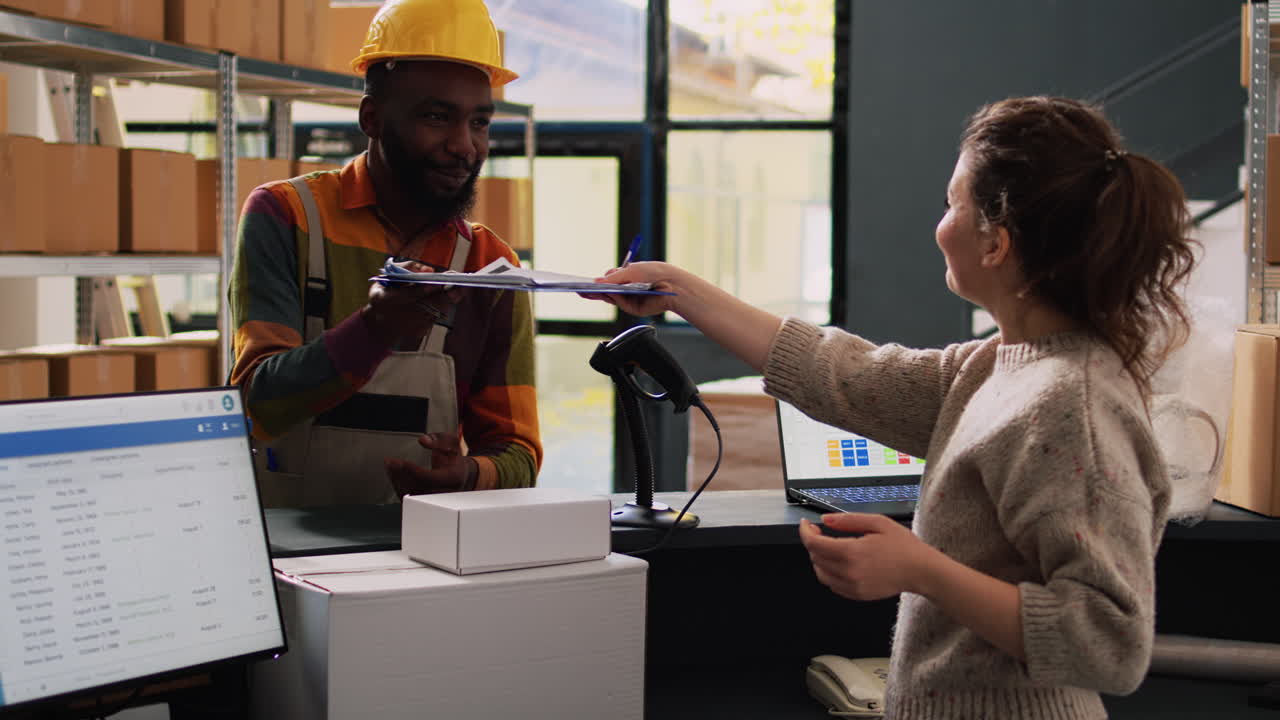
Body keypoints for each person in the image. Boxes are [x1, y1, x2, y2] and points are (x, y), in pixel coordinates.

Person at [588, 96, 1196, 719]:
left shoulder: (1073, 404)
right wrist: (680, 292)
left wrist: (920, 569)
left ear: (996, 243)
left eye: (951, 203)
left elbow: (1110, 645)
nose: (939, 225)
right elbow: (848, 376)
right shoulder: (994, 366)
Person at [228, 0, 541, 508]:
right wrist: (375, 329)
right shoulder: (287, 217)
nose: (465, 145)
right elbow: (256, 405)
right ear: (371, 118)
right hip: (282, 555)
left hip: (423, 553)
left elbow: (518, 455)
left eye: (480, 122)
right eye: (437, 116)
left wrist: (467, 476)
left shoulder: (489, 264)